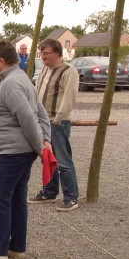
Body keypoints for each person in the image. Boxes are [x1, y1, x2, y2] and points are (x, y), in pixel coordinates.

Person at [0, 41, 52, 259]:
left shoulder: (11, 85)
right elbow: (41, 111)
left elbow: (28, 116)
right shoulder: (22, 79)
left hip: (14, 152)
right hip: (21, 151)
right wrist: (44, 140)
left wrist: (40, 146)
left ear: (2, 61)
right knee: (17, 197)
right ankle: (17, 247)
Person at [29, 39, 80, 211]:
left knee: (63, 161)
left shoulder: (68, 71)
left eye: (47, 53)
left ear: (58, 53)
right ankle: (49, 192)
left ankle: (71, 197)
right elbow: (37, 90)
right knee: (47, 159)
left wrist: (58, 119)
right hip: (42, 121)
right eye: (41, 53)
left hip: (57, 122)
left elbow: (69, 97)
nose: (43, 56)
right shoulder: (44, 69)